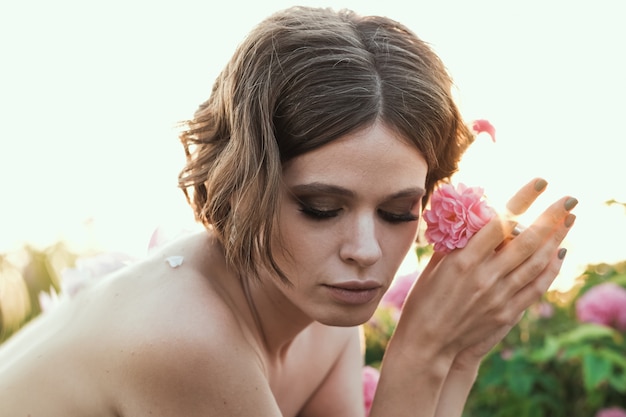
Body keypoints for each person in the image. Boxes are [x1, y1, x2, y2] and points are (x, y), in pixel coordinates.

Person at [0, 6, 577, 417]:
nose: (366, 250)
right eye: (322, 208)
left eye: (400, 212)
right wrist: (421, 353)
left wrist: (459, 352)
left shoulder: (323, 331)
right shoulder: (186, 339)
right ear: (241, 187)